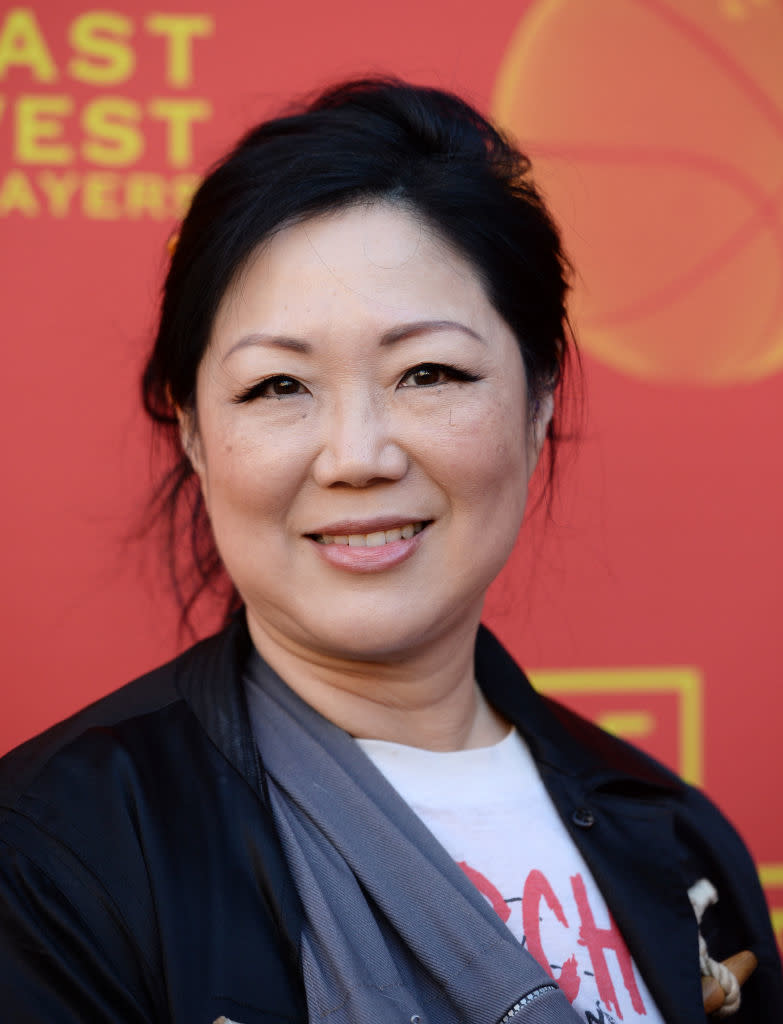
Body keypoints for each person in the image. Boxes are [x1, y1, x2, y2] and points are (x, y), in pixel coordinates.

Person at [0, 78, 780, 1024]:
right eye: (277, 386)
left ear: (537, 405)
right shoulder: (54, 854)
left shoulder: (675, 839)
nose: (358, 456)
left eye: (429, 372)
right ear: (195, 435)